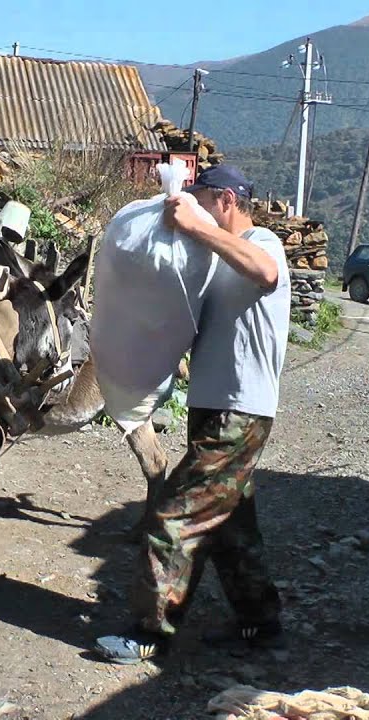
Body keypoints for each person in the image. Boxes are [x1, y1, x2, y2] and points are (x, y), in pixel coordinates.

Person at [94, 165, 291, 664]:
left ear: (226, 199)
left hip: (239, 409)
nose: (196, 209)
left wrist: (197, 226)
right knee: (229, 524)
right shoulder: (212, 256)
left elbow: (266, 274)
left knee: (173, 515)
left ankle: (150, 633)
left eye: (203, 199)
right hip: (214, 405)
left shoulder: (262, 241)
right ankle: (260, 623)